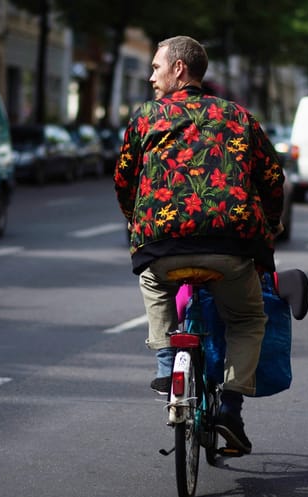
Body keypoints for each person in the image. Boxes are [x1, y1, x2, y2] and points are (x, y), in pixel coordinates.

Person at [113, 35, 285, 455]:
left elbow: (123, 178)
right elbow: (272, 178)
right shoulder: (239, 116)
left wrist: (137, 220)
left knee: (154, 285)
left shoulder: (145, 118)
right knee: (247, 321)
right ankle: (230, 405)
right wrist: (271, 225)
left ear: (178, 70)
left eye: (156, 68)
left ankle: (167, 366)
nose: (152, 76)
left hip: (161, 244)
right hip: (230, 245)